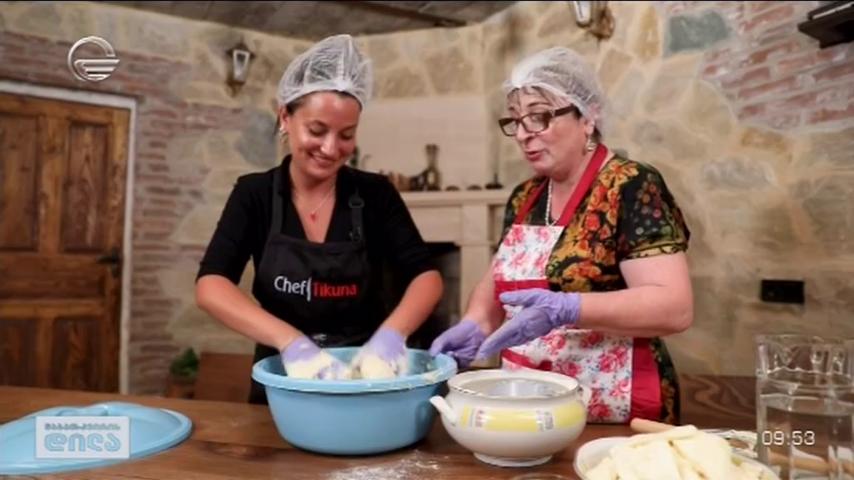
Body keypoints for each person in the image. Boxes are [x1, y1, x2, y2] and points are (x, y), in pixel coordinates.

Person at [429, 46, 693, 425]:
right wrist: (473, 323)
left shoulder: (629, 185)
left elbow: (674, 308)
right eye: (516, 120)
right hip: (529, 406)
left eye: (539, 117)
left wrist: (567, 309)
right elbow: (494, 289)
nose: (523, 134)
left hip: (615, 410)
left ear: (587, 117)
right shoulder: (525, 197)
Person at [195, 34, 443, 404]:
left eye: (346, 135)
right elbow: (211, 284)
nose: (331, 148)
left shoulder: (375, 194)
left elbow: (426, 276)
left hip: (365, 380)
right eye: (317, 130)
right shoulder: (254, 194)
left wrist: (392, 336)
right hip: (282, 379)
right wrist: (291, 343)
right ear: (285, 117)